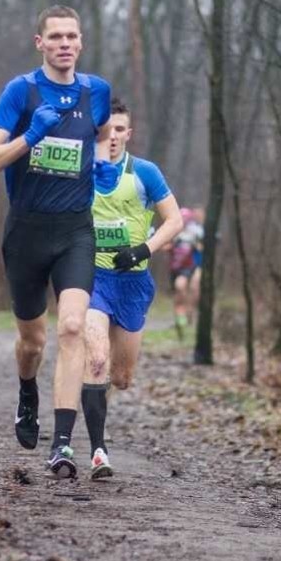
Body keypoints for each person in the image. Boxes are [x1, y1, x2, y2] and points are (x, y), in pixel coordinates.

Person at [0, 6, 113, 479]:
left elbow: (101, 139)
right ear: (40, 43)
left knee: (72, 327)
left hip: (75, 229)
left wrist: (106, 167)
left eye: (72, 36)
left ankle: (62, 444)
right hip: (27, 231)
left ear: (81, 42)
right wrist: (31, 134)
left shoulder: (97, 92)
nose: (65, 44)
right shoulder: (22, 91)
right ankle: (27, 392)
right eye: (55, 37)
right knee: (32, 341)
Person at [81, 102, 183, 479]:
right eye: (105, 131)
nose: (112, 138)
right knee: (96, 357)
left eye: (119, 130)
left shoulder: (144, 172)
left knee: (121, 377)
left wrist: (144, 249)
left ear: (129, 133)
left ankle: (100, 408)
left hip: (133, 282)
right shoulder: (84, 171)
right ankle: (97, 446)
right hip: (92, 278)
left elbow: (173, 220)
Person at [168, 206, 205, 339]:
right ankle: (180, 322)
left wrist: (198, 245)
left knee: (188, 287)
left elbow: (202, 247)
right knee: (178, 297)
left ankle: (189, 312)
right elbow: (166, 246)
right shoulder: (174, 234)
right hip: (175, 269)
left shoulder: (195, 232)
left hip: (190, 267)